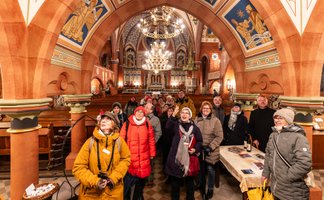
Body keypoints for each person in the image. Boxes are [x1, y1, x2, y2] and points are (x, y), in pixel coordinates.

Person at [73, 111, 131, 199]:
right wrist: (95, 181)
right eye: (103, 119)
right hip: (91, 193)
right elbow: (78, 168)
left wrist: (113, 178)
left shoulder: (120, 142)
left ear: (114, 124)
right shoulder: (90, 142)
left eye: (108, 119)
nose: (104, 121)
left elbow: (125, 160)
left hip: (113, 192)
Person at [262, 108, 312, 200]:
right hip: (276, 189)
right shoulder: (273, 135)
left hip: (293, 192)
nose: (277, 120)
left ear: (288, 120)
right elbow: (268, 155)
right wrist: (265, 173)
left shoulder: (298, 137)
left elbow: (305, 163)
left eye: (281, 118)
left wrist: (287, 177)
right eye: (275, 118)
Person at [165, 106, 203, 200]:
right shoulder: (176, 125)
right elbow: (167, 127)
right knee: (175, 185)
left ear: (190, 116)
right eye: (182, 112)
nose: (184, 114)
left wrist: (195, 149)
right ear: (180, 115)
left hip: (189, 159)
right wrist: (173, 114)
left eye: (187, 113)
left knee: (190, 184)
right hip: (176, 158)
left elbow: (199, 141)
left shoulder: (194, 128)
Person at [119, 106, 156, 200]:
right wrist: (121, 155)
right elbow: (121, 140)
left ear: (144, 114)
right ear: (134, 112)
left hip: (144, 156)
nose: (140, 113)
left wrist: (152, 154)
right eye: (138, 112)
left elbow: (151, 140)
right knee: (129, 181)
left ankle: (138, 196)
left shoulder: (147, 124)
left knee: (141, 180)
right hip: (130, 157)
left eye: (142, 112)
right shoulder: (127, 123)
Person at [195, 101, 223, 199]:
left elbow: (220, 136)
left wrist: (210, 147)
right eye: (204, 108)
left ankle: (210, 189)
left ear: (211, 110)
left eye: (208, 108)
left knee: (210, 170)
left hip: (211, 149)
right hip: (199, 149)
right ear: (201, 109)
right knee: (199, 170)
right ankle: (200, 184)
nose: (206, 110)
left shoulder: (216, 121)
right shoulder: (197, 119)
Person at [144, 102, 162, 187]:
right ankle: (142, 178)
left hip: (150, 145)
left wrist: (152, 143)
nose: (145, 109)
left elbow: (158, 133)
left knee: (150, 163)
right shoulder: (141, 117)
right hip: (141, 145)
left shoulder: (156, 119)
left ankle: (150, 180)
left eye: (147, 108)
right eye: (145, 107)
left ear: (151, 110)